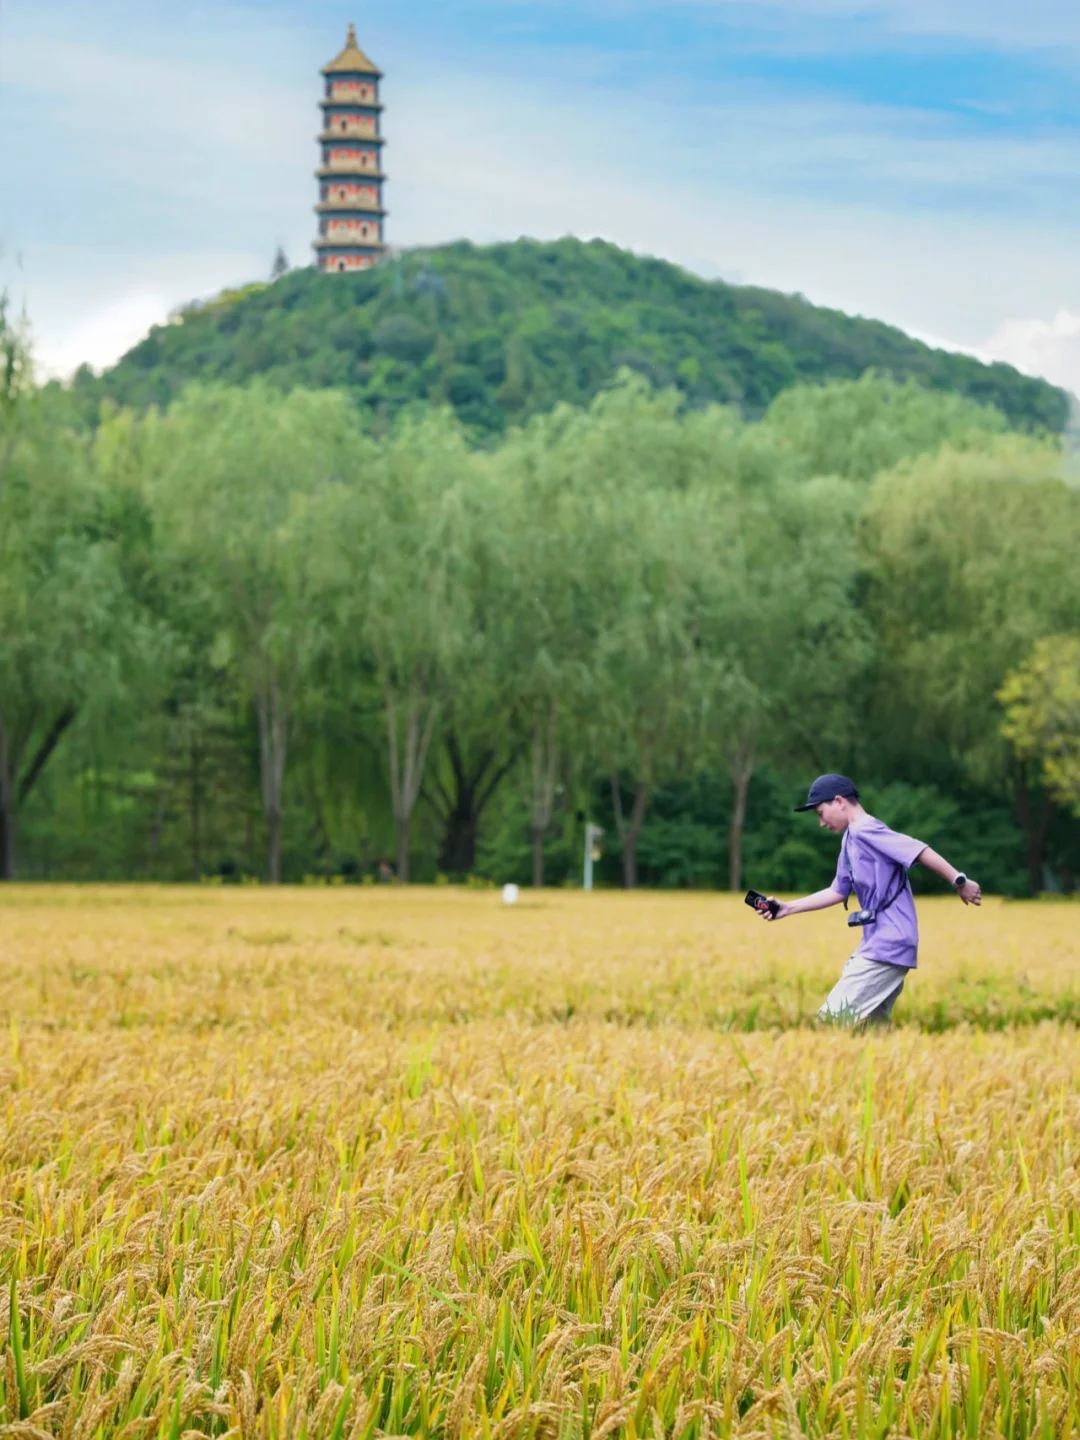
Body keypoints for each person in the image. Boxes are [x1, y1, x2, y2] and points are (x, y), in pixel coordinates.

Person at [757, 773, 981, 1025]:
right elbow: (837, 891)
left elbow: (918, 850)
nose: (821, 823)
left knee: (830, 1021)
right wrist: (787, 908)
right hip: (879, 941)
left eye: (820, 813)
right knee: (870, 1032)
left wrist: (959, 881)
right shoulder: (850, 839)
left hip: (889, 942)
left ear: (839, 801)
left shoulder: (866, 829)